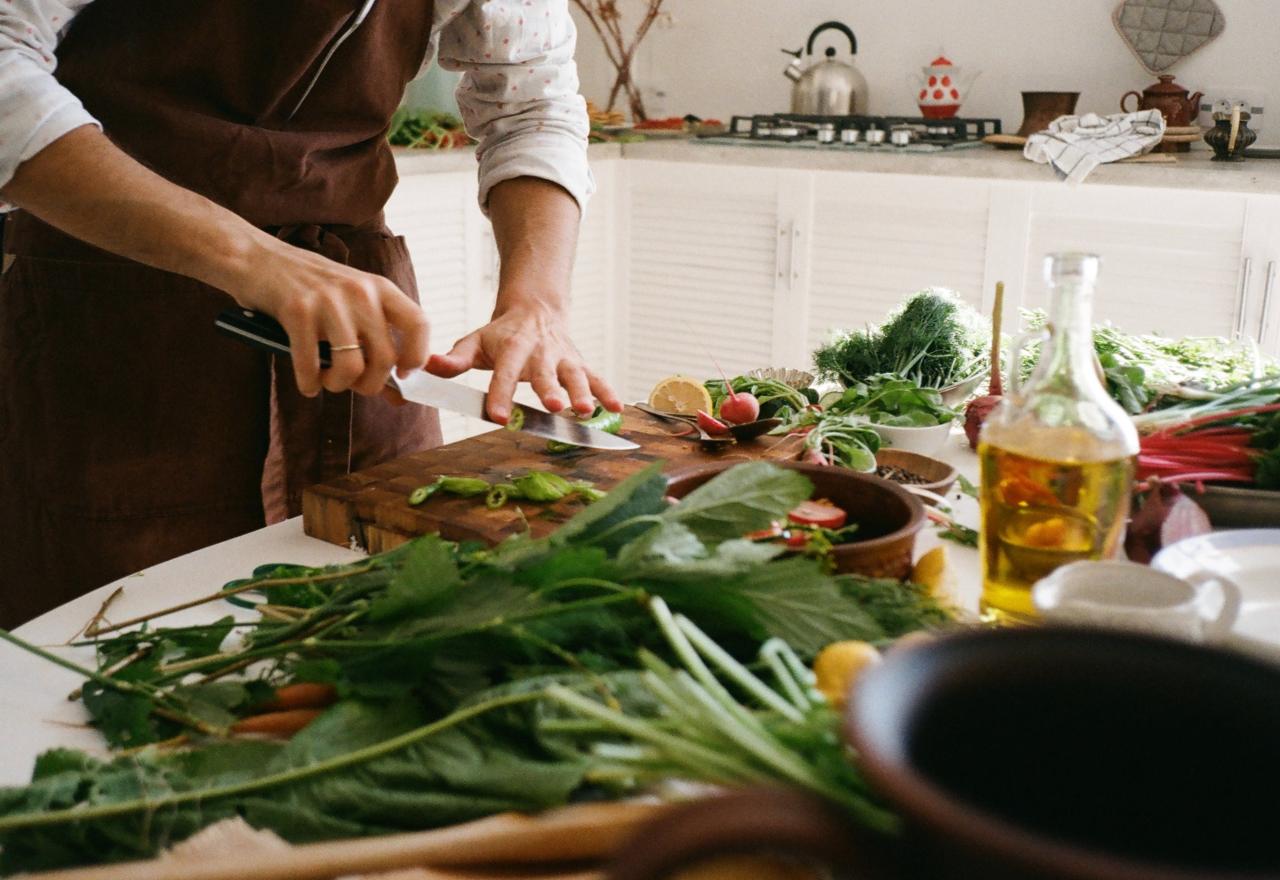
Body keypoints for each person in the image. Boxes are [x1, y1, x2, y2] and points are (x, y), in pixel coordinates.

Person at [0, 0, 622, 627]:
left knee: (387, 622)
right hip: (111, 317)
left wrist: (535, 301)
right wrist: (252, 258)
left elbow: (532, 104)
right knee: (113, 639)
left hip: (359, 330)